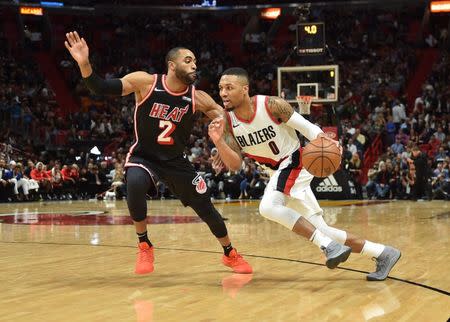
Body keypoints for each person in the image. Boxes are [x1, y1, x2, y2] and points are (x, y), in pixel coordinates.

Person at [65, 31, 251, 275]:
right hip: (144, 155)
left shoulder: (198, 98)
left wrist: (226, 144)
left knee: (206, 209)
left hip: (175, 161)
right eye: (188, 60)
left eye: (195, 61)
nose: (194, 65)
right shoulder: (145, 83)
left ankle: (230, 253)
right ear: (172, 65)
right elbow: (100, 87)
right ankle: (144, 244)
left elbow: (230, 121)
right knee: (134, 183)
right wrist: (84, 63)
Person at [208, 68, 401, 281]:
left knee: (268, 207)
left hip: (294, 161)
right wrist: (218, 142)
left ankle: (327, 246)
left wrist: (328, 142)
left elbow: (308, 128)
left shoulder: (271, 105)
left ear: (244, 89)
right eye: (220, 88)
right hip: (277, 172)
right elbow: (235, 165)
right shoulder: (228, 123)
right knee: (322, 229)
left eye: (229, 87)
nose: (223, 93)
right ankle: (383, 253)